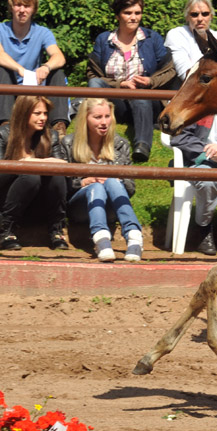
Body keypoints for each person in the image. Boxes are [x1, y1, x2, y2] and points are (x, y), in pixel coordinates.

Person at [87, 0, 176, 163]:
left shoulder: (152, 38)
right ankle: (91, 138)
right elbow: (93, 74)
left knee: (140, 95)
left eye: (137, 13)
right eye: (128, 13)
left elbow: (170, 71)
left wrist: (150, 81)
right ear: (117, 16)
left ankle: (142, 145)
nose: (134, 17)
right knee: (95, 85)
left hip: (147, 102)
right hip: (116, 103)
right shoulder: (104, 40)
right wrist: (120, 84)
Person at [57, 98, 143, 262]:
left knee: (111, 181)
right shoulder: (68, 143)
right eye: (97, 117)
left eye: (107, 116)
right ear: (85, 119)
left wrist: (116, 179)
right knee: (95, 186)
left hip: (112, 206)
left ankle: (134, 237)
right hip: (80, 207)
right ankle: (101, 240)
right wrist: (84, 182)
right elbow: (61, 187)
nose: (104, 122)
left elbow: (131, 187)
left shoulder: (120, 144)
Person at [0, 96, 68, 250]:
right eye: (37, 113)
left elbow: (64, 165)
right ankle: (6, 230)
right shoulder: (3, 134)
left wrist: (28, 161)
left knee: (56, 176)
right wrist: (31, 163)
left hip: (39, 202)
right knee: (30, 176)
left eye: (45, 113)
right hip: (7, 201)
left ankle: (56, 230)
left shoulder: (51, 136)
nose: (43, 118)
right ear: (23, 113)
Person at [0, 0, 69, 138]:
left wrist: (46, 67)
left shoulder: (42, 32)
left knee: (57, 73)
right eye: (18, 5)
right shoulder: (1, 29)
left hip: (33, 88)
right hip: (7, 91)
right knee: (3, 70)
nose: (22, 10)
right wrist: (20, 69)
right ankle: (5, 126)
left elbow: (59, 56)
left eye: (27, 6)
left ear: (33, 9)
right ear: (11, 7)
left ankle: (58, 126)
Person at [170, 114, 217, 255]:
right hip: (200, 160)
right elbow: (179, 137)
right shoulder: (198, 108)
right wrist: (208, 150)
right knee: (207, 181)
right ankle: (203, 228)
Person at [165, 0, 217, 82]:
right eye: (194, 14)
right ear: (187, 17)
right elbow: (185, 74)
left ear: (211, 16)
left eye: (205, 14)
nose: (200, 18)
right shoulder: (177, 35)